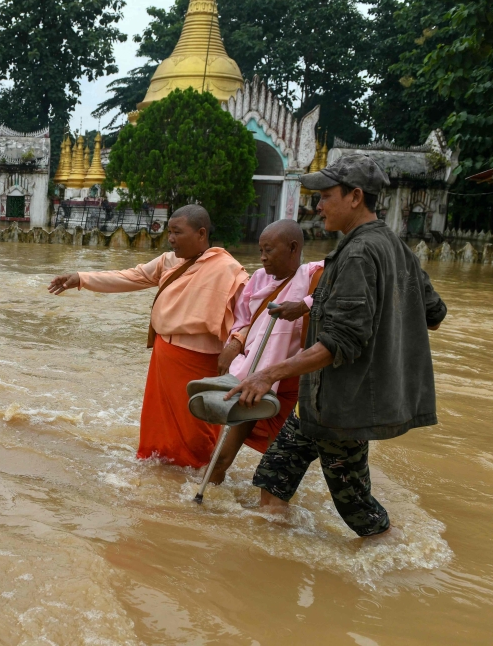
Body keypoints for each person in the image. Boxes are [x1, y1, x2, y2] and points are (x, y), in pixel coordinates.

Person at [227, 154, 447, 537]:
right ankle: (271, 569)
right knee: (272, 482)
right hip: (319, 401)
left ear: (355, 197)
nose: (318, 206)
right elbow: (433, 313)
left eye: (326, 196)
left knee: (361, 514)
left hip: (342, 409)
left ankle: (398, 571)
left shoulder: (359, 254)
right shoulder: (396, 248)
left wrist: (269, 374)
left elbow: (340, 342)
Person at [48, 205, 249, 468]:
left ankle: (199, 475)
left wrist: (236, 344)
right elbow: (131, 277)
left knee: (198, 429)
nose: (171, 239)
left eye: (177, 232)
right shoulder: (169, 262)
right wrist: (82, 278)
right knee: (159, 424)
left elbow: (249, 315)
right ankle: (161, 473)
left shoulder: (230, 270)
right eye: (169, 232)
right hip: (165, 353)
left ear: (201, 233)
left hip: (204, 362)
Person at [208, 220, 324, 484]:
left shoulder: (316, 274)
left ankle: (271, 516)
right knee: (221, 457)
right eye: (260, 250)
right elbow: (243, 319)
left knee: (279, 462)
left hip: (293, 382)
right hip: (255, 374)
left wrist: (303, 305)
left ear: (293, 248)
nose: (262, 258)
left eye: (268, 251)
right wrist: (234, 344)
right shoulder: (259, 279)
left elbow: (340, 294)